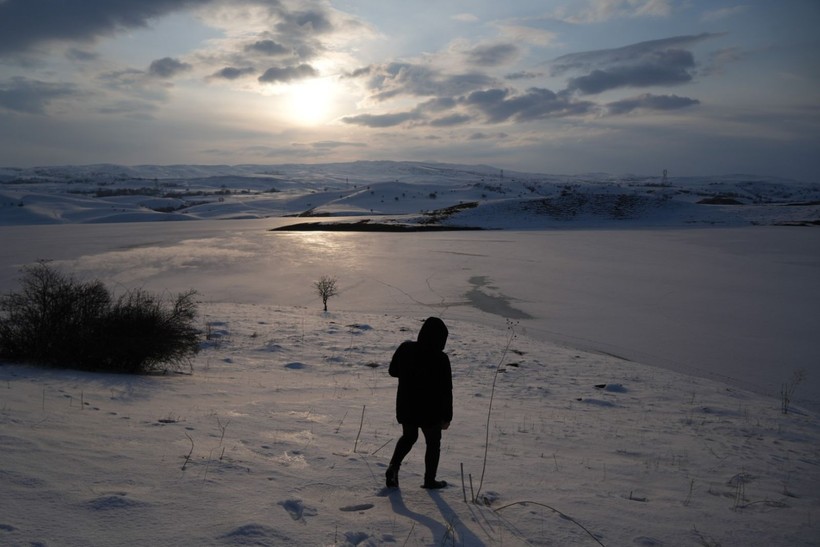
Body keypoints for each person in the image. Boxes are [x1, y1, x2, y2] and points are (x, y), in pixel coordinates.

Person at [385, 316, 452, 489]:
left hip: (407, 405)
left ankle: (393, 468)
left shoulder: (405, 348)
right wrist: (447, 417)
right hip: (431, 411)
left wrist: (408, 373)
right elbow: (446, 390)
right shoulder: (441, 359)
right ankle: (429, 480)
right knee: (433, 443)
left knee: (409, 436)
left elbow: (392, 371)